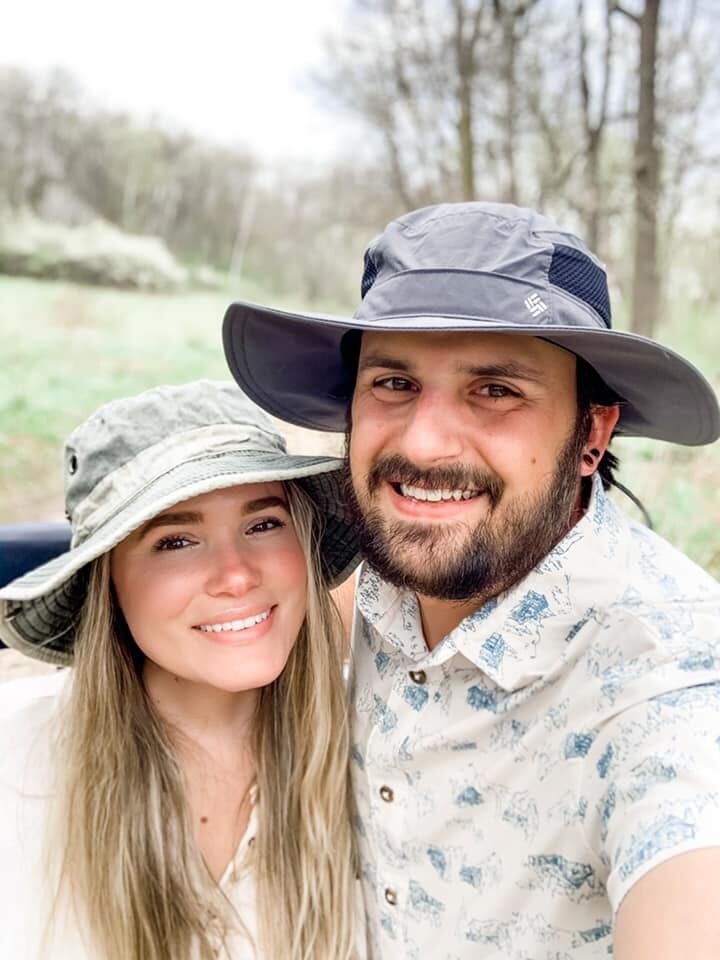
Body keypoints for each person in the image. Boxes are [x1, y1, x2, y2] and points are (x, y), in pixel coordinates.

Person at [222, 202, 720, 960]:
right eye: (393, 382)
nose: (423, 442)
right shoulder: (366, 573)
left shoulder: (671, 682)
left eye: (495, 390)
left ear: (591, 433)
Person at [0, 380, 363, 960]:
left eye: (264, 523)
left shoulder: (383, 748)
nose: (236, 575)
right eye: (175, 541)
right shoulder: (16, 763)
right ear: (107, 584)